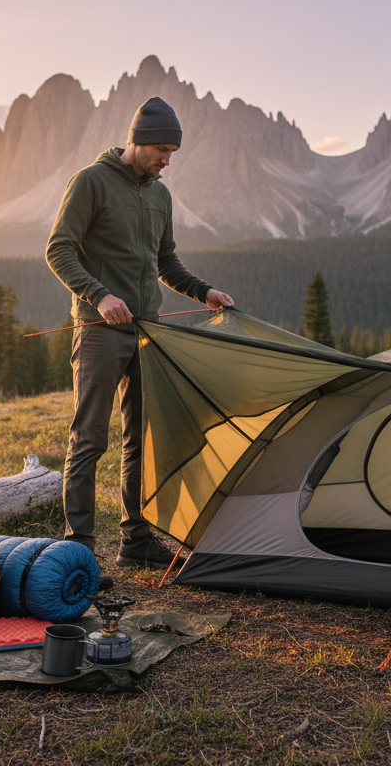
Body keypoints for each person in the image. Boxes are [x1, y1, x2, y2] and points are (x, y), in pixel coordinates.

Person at [46, 96, 233, 567]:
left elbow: (165, 262)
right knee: (89, 437)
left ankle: (135, 539)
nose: (167, 160)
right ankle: (79, 548)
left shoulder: (159, 195)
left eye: (173, 151)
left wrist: (204, 291)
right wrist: (100, 296)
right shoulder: (90, 182)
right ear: (139, 141)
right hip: (100, 330)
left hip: (148, 332)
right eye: (162, 150)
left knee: (139, 438)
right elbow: (59, 249)